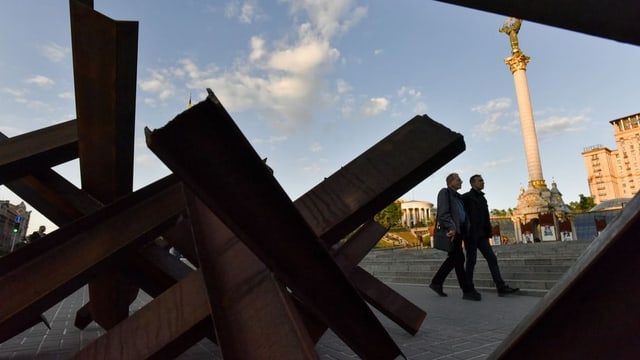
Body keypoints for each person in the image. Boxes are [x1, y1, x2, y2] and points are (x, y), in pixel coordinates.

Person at [461, 175, 519, 297]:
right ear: (472, 183)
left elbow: (486, 218)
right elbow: (462, 216)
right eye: (480, 181)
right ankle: (468, 289)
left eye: (483, 180)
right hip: (471, 235)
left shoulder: (483, 198)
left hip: (482, 235)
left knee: (492, 259)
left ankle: (501, 287)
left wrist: (489, 232)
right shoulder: (466, 197)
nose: (483, 182)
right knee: (471, 261)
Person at [429, 173, 481, 301]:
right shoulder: (445, 192)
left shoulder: (457, 196)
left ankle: (437, 283)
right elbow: (443, 213)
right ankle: (467, 290)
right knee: (458, 257)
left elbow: (462, 214)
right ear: (450, 181)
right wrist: (451, 228)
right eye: (458, 180)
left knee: (455, 258)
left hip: (460, 230)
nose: (461, 182)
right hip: (453, 231)